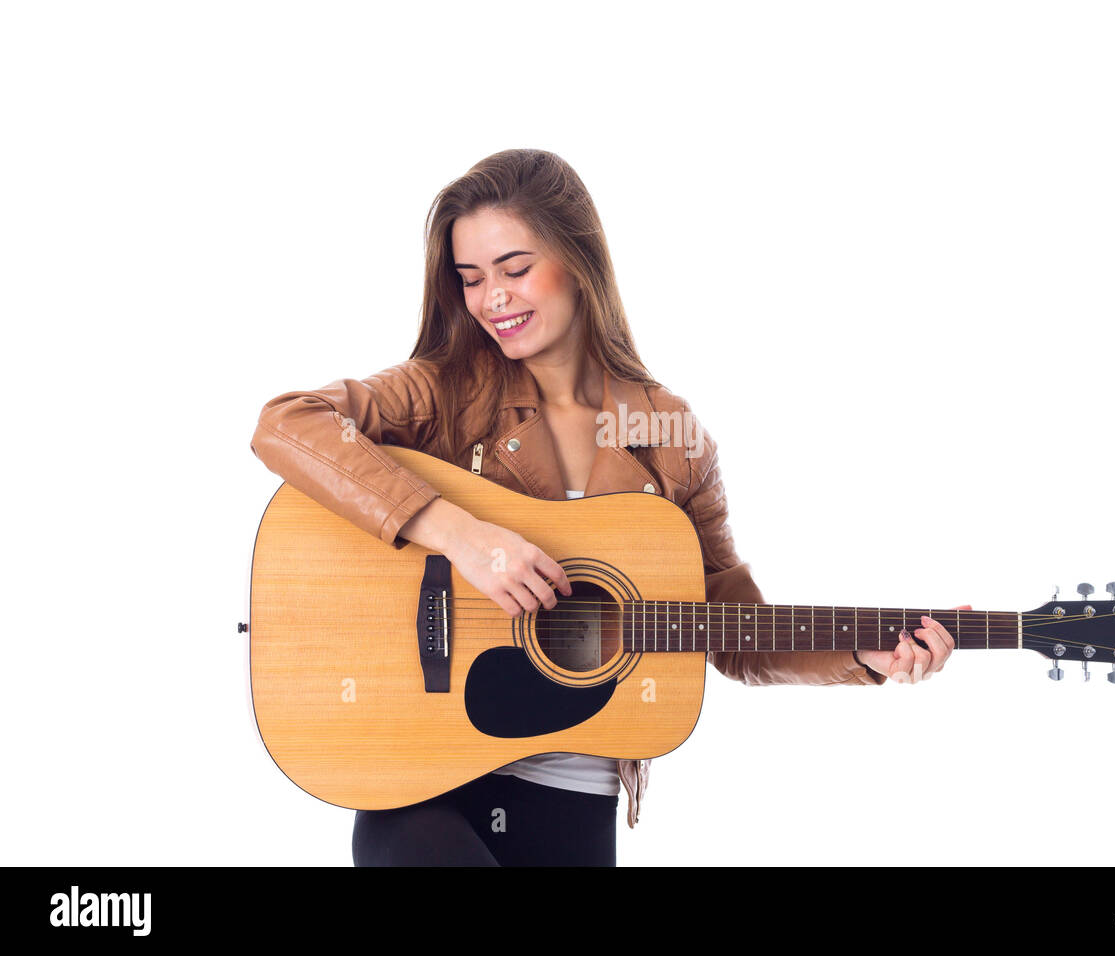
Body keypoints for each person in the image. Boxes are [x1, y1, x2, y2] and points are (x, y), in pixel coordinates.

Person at [249, 148, 958, 866]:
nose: (493, 298)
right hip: (423, 769)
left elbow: (733, 629)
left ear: (578, 258)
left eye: (515, 269)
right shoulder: (445, 392)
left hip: (575, 797)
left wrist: (858, 655)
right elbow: (287, 423)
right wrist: (459, 533)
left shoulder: (671, 439)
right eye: (471, 278)